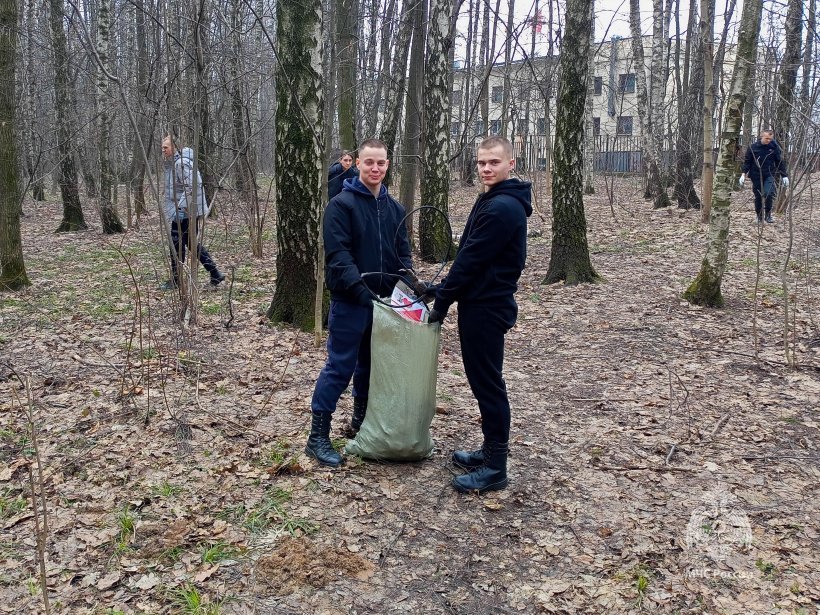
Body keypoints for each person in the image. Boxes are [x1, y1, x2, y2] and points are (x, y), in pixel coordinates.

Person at [428, 136, 532, 494]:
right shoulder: (492, 199)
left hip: (487, 308)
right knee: (483, 382)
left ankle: (496, 467)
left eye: (493, 162)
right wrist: (439, 289)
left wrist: (441, 304)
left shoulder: (502, 208)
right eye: (481, 163)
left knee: (488, 386)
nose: (486, 168)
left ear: (511, 164)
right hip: (479, 302)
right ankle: (488, 452)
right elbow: (469, 256)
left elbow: (471, 260)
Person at [306, 139, 412, 467]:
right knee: (340, 366)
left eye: (380, 163)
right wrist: (362, 293)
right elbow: (339, 256)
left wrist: (406, 284)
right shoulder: (342, 205)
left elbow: (403, 252)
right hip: (351, 302)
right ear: (358, 164)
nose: (375, 169)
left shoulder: (394, 209)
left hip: (384, 306)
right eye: (369, 163)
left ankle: (361, 423)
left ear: (387, 164)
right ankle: (317, 437)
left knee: (370, 367)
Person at [161, 137, 225, 289]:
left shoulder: (181, 163)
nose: (163, 150)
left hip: (184, 211)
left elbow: (192, 186)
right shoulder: (176, 162)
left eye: (166, 147)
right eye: (162, 147)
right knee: (190, 243)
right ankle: (215, 274)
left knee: (177, 245)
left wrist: (180, 208)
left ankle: (177, 280)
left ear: (175, 147)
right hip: (184, 210)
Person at [739, 129, 789, 224]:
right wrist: (743, 174)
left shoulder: (774, 147)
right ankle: (759, 216)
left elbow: (779, 161)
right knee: (758, 196)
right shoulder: (753, 147)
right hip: (755, 175)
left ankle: (768, 215)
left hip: (769, 174)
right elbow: (747, 162)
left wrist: (784, 175)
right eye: (766, 138)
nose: (768, 140)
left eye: (770, 139)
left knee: (769, 193)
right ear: (761, 136)